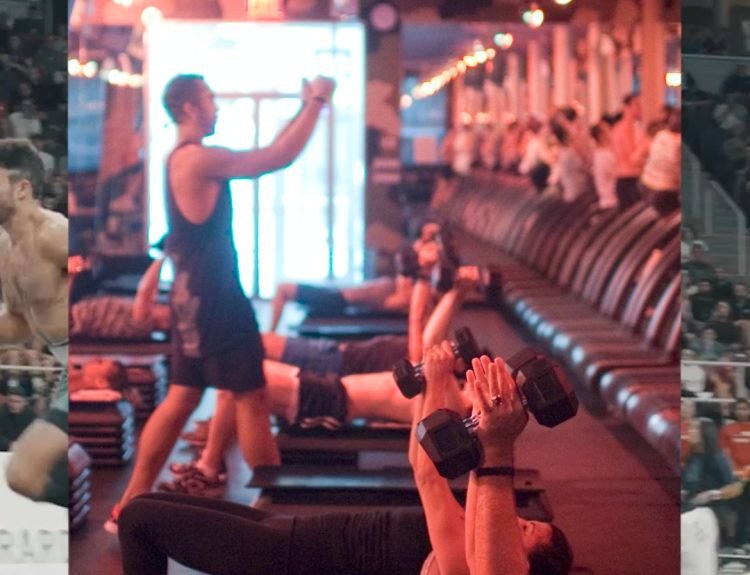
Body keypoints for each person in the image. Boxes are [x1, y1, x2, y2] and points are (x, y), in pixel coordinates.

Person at [105, 73, 335, 532]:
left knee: (183, 397)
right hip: (215, 301)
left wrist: (305, 103)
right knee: (251, 397)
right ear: (190, 108)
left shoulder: (181, 158)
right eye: (210, 99)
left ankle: (128, 506)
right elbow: (277, 157)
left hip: (195, 299)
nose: (217, 107)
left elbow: (273, 148)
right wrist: (316, 103)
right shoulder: (196, 159)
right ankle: (275, 516)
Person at [117, 347, 573, 575]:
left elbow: (427, 475)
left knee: (138, 517)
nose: (518, 520)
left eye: (526, 532)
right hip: (293, 530)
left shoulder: (462, 562)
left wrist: (451, 397)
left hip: (291, 556)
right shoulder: (470, 525)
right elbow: (427, 455)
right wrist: (475, 414)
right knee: (145, 509)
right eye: (528, 522)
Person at [0, 139, 68, 508]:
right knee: (22, 476)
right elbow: (19, 323)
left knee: (24, 472)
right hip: (63, 366)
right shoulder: (5, 248)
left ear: (21, 188)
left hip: (80, 365)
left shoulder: (54, 234)